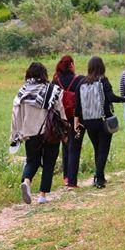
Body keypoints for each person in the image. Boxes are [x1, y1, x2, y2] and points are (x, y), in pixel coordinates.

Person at [74, 56, 125, 188]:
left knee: (97, 148)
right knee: (103, 150)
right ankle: (98, 179)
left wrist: (76, 121)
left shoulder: (81, 83)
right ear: (102, 67)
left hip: (88, 121)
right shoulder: (103, 81)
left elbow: (78, 105)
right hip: (103, 120)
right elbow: (111, 97)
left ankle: (100, 176)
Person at [10, 62, 66, 205]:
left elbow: (15, 115)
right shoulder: (53, 90)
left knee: (32, 161)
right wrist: (65, 128)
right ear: (44, 74)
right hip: (50, 133)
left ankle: (27, 182)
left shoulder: (22, 92)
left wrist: (15, 136)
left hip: (30, 133)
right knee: (49, 163)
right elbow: (60, 111)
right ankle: (42, 196)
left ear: (28, 74)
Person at [52, 55, 85, 189]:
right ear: (71, 64)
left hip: (61, 117)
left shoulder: (55, 81)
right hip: (76, 116)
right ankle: (72, 181)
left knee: (65, 145)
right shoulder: (80, 80)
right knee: (75, 147)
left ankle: (66, 177)